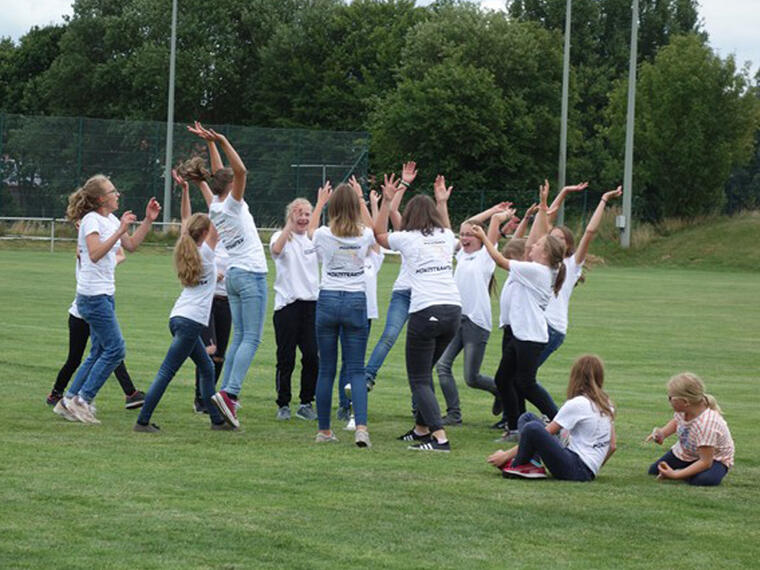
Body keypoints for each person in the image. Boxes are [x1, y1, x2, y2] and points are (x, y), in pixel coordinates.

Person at [58, 175, 160, 424]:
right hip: (93, 297)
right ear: (101, 198)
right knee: (116, 349)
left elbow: (132, 245)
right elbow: (94, 254)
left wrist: (148, 220)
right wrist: (119, 231)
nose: (117, 195)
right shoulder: (91, 220)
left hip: (104, 295)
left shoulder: (109, 219)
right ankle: (83, 400)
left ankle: (67, 400)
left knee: (98, 351)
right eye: (113, 191)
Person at [135, 175, 233, 432]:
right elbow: (215, 220)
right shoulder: (208, 253)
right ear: (205, 233)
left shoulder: (185, 247)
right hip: (190, 323)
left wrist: (187, 191)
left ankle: (215, 420)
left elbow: (186, 221)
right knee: (167, 372)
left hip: (178, 317)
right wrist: (220, 193)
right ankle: (142, 421)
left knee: (207, 368)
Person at [186, 122, 267, 428]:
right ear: (231, 188)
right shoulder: (232, 205)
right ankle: (231, 393)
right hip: (251, 275)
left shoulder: (216, 206)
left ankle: (224, 393)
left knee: (237, 340)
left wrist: (211, 145)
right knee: (252, 339)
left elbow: (223, 174)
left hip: (233, 276)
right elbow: (240, 171)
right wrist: (221, 139)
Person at [471, 181, 565, 440]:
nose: (530, 247)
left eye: (535, 248)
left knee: (525, 383)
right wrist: (544, 208)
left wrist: (484, 238)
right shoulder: (539, 265)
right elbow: (539, 238)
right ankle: (514, 428)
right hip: (519, 334)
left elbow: (499, 260)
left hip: (530, 336)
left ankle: (559, 424)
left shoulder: (536, 270)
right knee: (503, 380)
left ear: (544, 254)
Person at [375, 172, 460, 452]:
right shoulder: (447, 235)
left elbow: (378, 234)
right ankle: (422, 429)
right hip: (453, 311)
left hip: (426, 311)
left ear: (410, 215)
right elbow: (447, 228)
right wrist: (442, 202)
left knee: (419, 378)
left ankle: (440, 438)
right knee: (427, 370)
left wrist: (386, 202)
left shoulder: (407, 238)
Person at [435, 204, 514, 426]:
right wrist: (490, 212)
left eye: (471, 235)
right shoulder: (461, 255)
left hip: (476, 323)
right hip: (456, 320)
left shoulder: (486, 257)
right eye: (463, 235)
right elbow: (466, 224)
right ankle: (454, 414)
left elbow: (491, 228)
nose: (465, 238)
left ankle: (500, 391)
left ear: (481, 238)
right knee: (442, 366)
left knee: (471, 378)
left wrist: (499, 217)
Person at [312, 180, 375, 447]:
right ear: (355, 208)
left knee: (326, 369)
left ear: (333, 207)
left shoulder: (323, 234)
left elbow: (310, 231)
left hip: (327, 299)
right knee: (357, 370)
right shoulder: (364, 235)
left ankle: (324, 430)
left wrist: (320, 203)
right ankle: (361, 428)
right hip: (355, 300)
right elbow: (375, 229)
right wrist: (363, 200)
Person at [487, 354, 616, 481]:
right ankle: (532, 464)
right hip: (581, 466)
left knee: (532, 427)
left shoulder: (578, 403)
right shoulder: (606, 403)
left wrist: (505, 455)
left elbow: (546, 431)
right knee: (528, 418)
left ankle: (518, 464)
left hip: (575, 467)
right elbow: (612, 446)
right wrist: (594, 469)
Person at [49, 247, 145, 415]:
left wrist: (115, 236)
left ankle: (70, 399)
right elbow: (84, 252)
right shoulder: (88, 260)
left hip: (94, 309)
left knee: (104, 352)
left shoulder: (103, 262)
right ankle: (70, 396)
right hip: (84, 314)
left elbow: (121, 254)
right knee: (104, 352)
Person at [538, 186, 621, 366]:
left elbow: (589, 232)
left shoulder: (572, 264)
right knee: (519, 376)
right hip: (536, 323)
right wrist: (563, 192)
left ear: (568, 245)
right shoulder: (542, 259)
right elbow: (546, 219)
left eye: (561, 238)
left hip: (552, 327)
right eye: (553, 237)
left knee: (522, 376)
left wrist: (604, 199)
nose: (555, 240)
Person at [363, 162, 418, 391]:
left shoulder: (439, 236)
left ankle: (420, 403)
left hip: (427, 297)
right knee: (390, 335)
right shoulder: (406, 235)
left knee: (418, 351)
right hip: (404, 293)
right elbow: (393, 210)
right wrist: (403, 184)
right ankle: (368, 376)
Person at [269, 195, 321, 421]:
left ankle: (306, 402)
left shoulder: (314, 240)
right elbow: (277, 251)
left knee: (311, 356)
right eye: (298, 213)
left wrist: (319, 206)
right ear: (290, 215)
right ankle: (283, 403)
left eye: (307, 214)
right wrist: (289, 226)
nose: (303, 218)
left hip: (311, 306)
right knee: (286, 357)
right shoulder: (280, 238)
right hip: (287, 306)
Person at [339, 188, 385, 427]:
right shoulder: (351, 257)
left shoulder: (373, 261)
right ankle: (343, 406)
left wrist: (363, 202)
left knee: (354, 360)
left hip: (365, 314)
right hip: (345, 309)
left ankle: (350, 405)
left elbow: (375, 234)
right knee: (346, 360)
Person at [646, 373, 734, 486]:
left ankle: (685, 471)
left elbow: (706, 462)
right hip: (687, 452)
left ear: (685, 402)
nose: (669, 401)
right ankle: (688, 468)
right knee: (654, 470)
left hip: (714, 459)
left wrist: (675, 475)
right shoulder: (683, 412)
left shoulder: (706, 424)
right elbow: (676, 422)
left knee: (703, 480)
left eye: (671, 398)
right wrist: (662, 434)